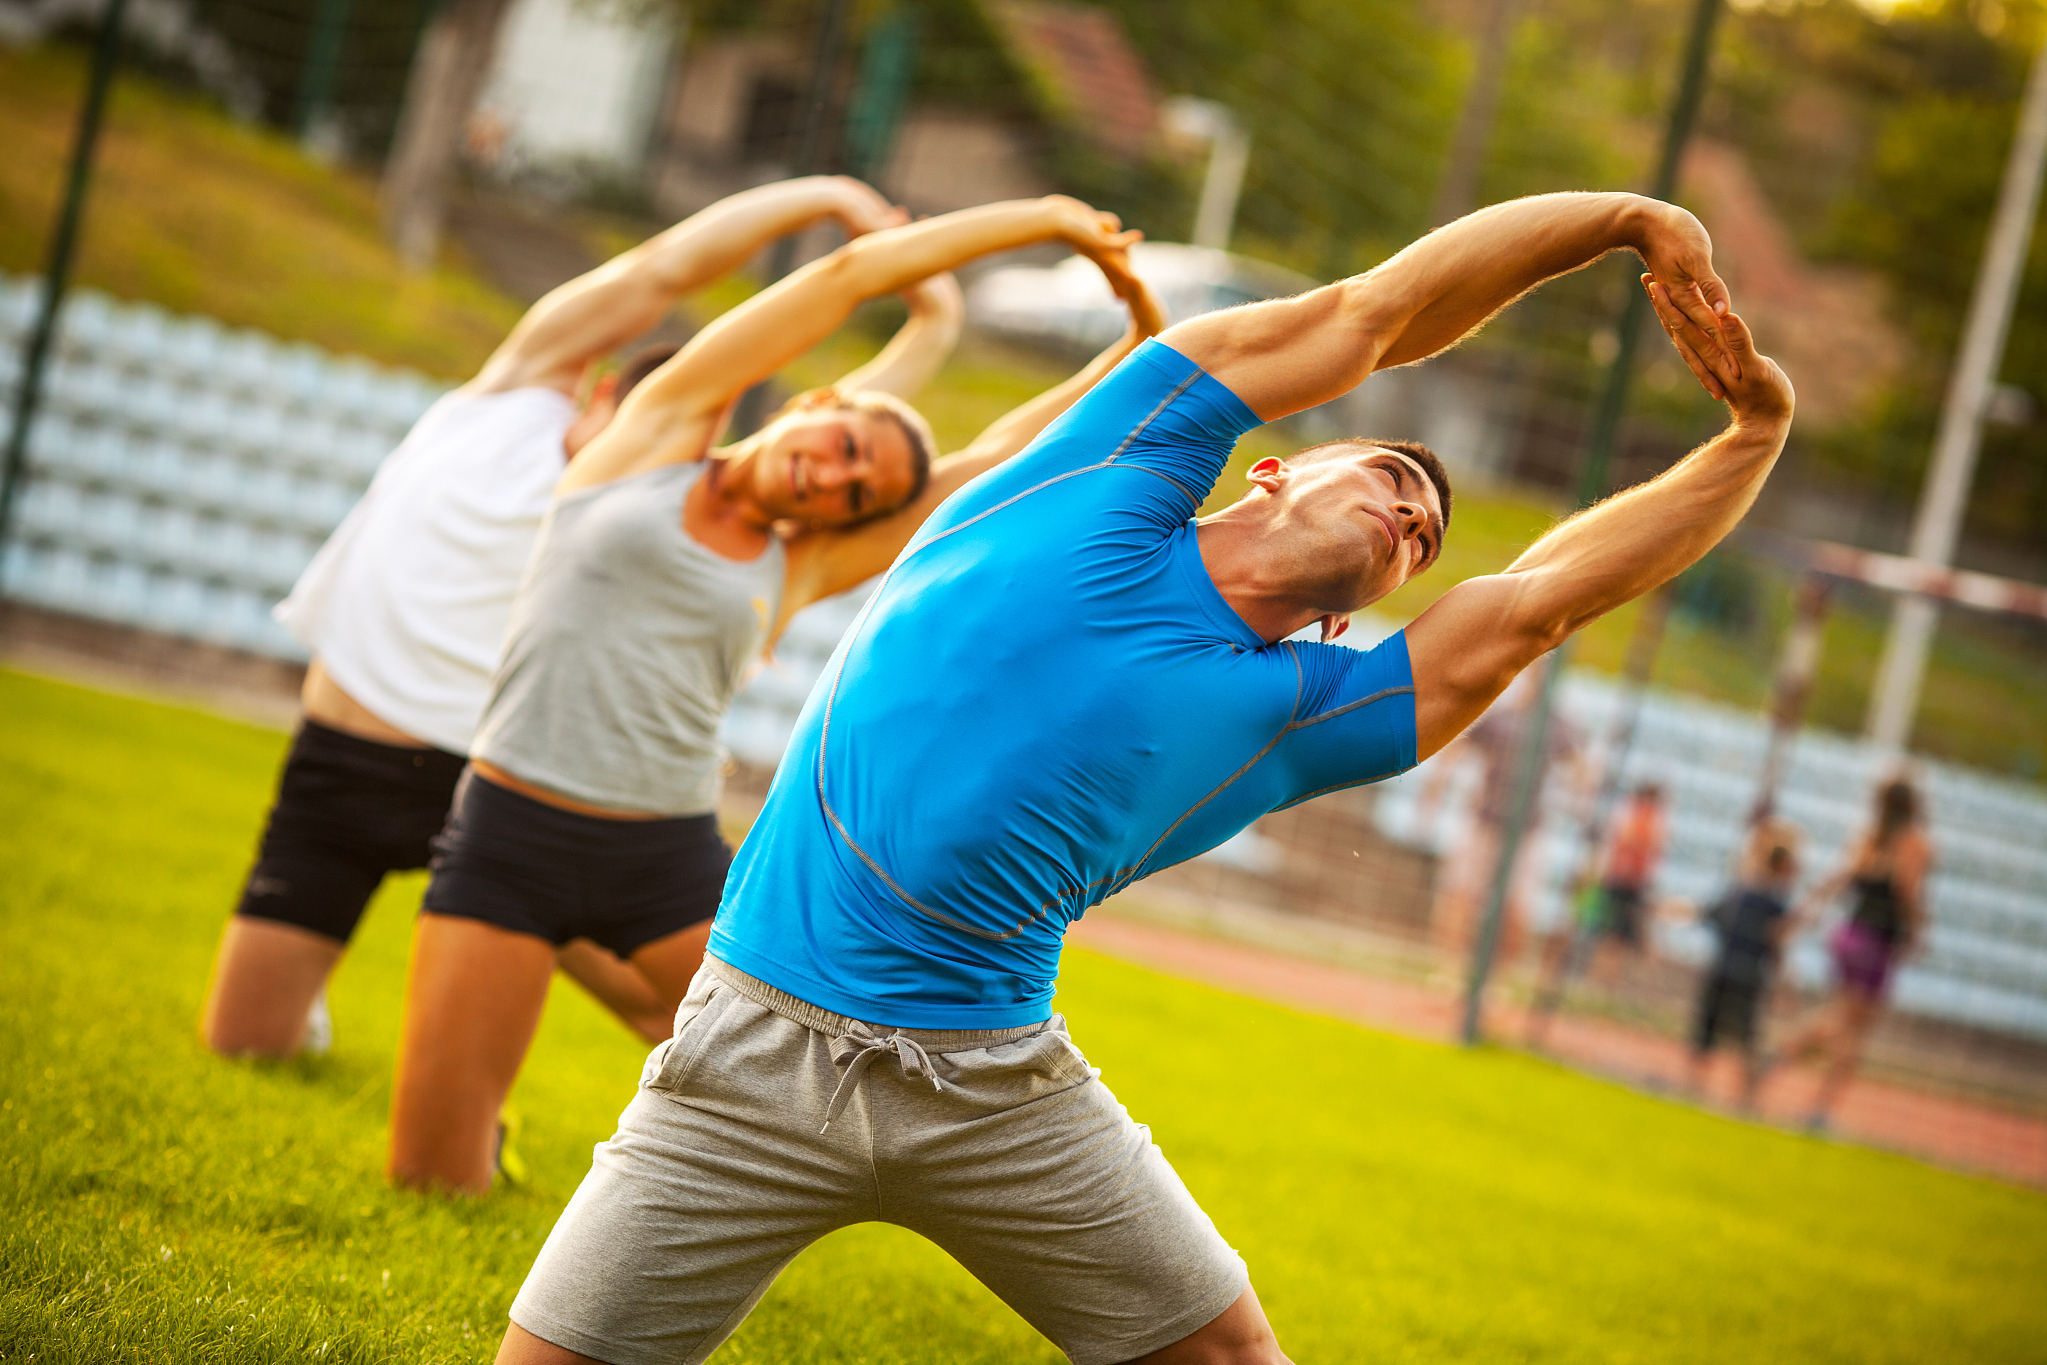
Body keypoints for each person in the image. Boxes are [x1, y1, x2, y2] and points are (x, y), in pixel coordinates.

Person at [495, 191, 1793, 1365]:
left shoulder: (1303, 709)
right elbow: (1368, 312)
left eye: (1423, 538)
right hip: (752, 1051)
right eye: (1393, 476)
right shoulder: (1100, 477)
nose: (1408, 515)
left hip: (990, 1088)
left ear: (1371, 609)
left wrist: (1752, 431)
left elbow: (1539, 603)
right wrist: (1623, 218)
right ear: (1275, 461)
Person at [387, 195, 1166, 1194]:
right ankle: (488, 1116)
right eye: (847, 448)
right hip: (506, 832)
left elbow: (1001, 460)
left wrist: (1136, 348)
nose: (835, 480)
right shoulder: (653, 438)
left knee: (813, 1095)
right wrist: (1043, 219)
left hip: (659, 858)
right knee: (432, 1183)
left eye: (859, 495)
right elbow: (845, 280)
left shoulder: (792, 567)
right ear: (814, 405)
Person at [198, 177, 957, 1059]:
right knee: (247, 1045)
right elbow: (661, 267)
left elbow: (845, 440)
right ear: (601, 391)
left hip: (503, 793)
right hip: (341, 769)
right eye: (623, 411)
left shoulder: (656, 507)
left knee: (663, 1010)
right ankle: (311, 1017)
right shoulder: (509, 398)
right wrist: (822, 196)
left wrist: (931, 325)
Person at [1766, 776, 1931, 1130]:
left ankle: (1785, 1054)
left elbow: (1834, 880)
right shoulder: (1914, 844)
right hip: (1877, 943)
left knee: (1842, 1017)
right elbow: (1908, 891)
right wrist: (1918, 932)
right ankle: (1819, 1106)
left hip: (1848, 935)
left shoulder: (1870, 839)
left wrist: (1800, 916)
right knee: (1853, 1028)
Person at [1688, 830, 1798, 1108]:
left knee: (1707, 1033)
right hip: (1748, 974)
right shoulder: (1775, 904)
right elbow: (1776, 944)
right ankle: (1745, 1100)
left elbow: (1713, 917)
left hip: (1723, 967)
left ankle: (1695, 1089)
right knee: (1746, 1040)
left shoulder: (1741, 891)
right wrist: (1782, 980)